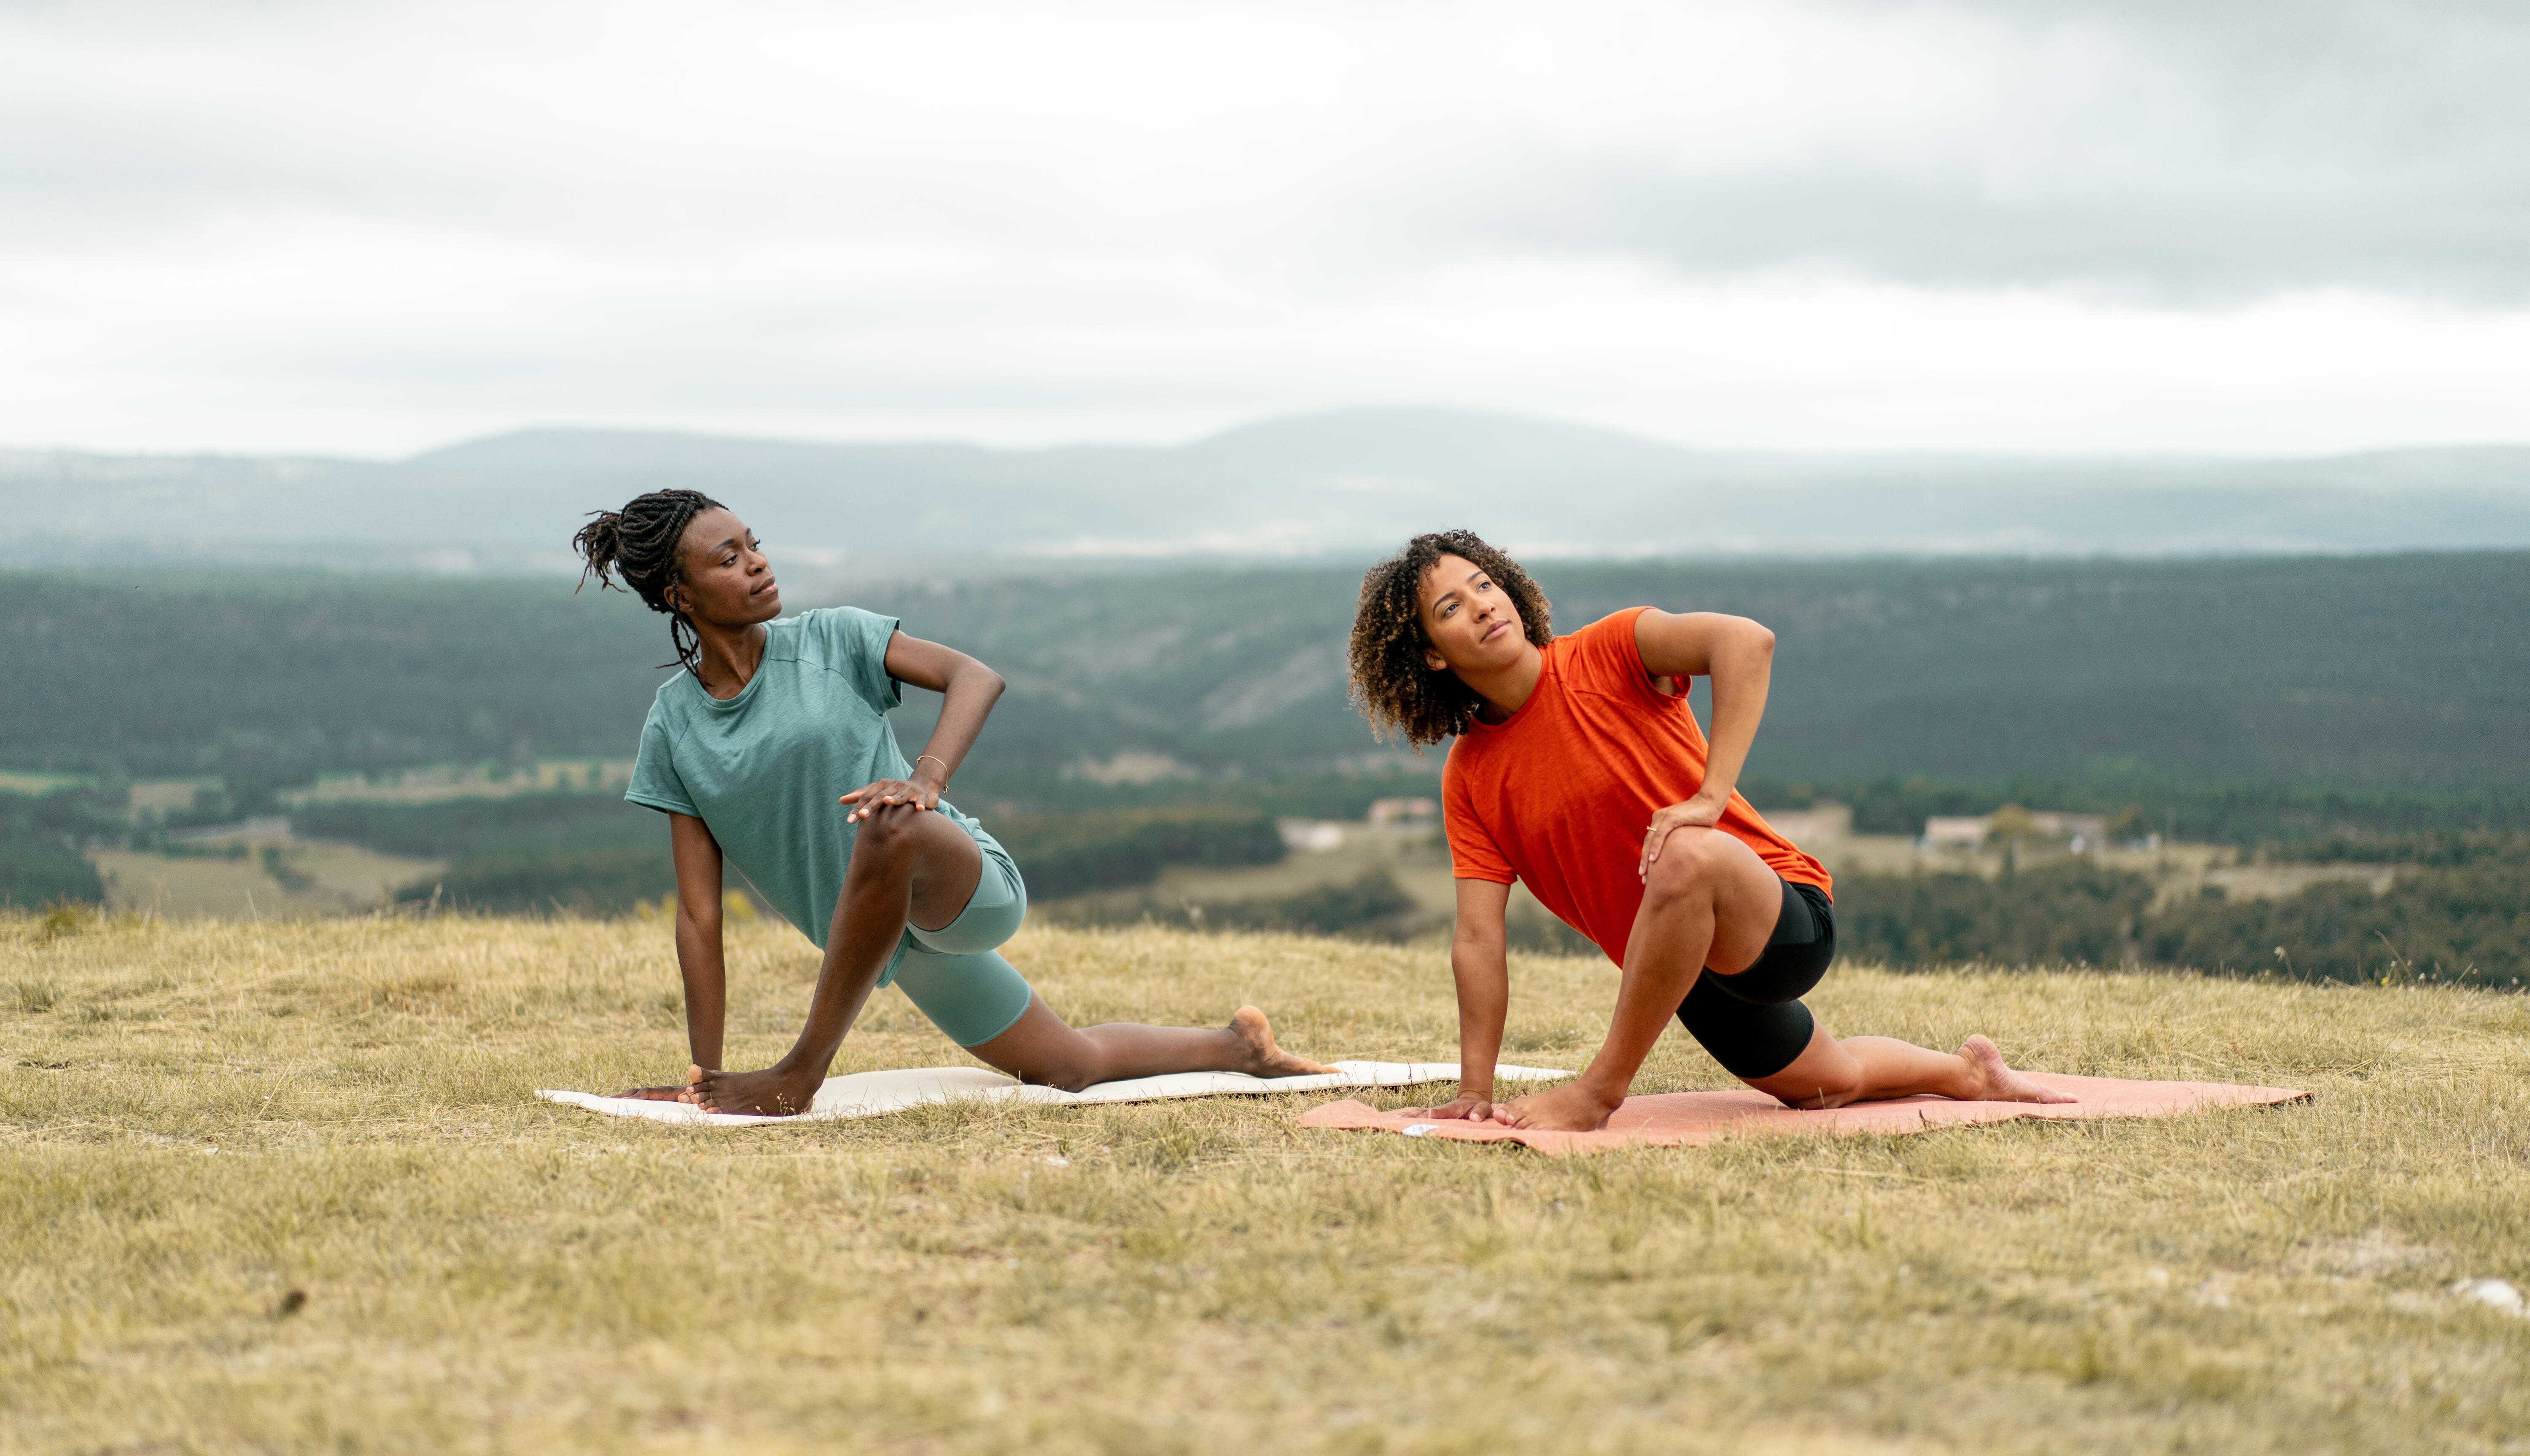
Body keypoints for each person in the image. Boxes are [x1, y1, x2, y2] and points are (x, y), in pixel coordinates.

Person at [574, 487, 1332, 1115]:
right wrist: (704, 1080)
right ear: (679, 594)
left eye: (754, 543)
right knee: (1067, 1067)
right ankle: (1240, 1047)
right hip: (891, 949)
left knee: (889, 821)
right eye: (728, 558)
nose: (758, 563)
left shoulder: (834, 639)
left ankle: (798, 1076)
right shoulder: (674, 724)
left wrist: (927, 781)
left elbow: (976, 676)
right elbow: (699, 916)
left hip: (959, 887)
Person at [1346, 529, 2072, 1134]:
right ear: (1433, 655)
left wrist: (1709, 796)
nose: (1479, 605)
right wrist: (1476, 1088)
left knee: (1686, 854)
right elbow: (1478, 938)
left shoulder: (1611, 649)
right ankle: (1965, 1072)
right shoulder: (1470, 776)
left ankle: (1599, 1091)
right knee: (1826, 1085)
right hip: (1677, 970)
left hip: (1779, 919)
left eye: (1482, 584)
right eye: (1450, 606)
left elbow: (1747, 643)